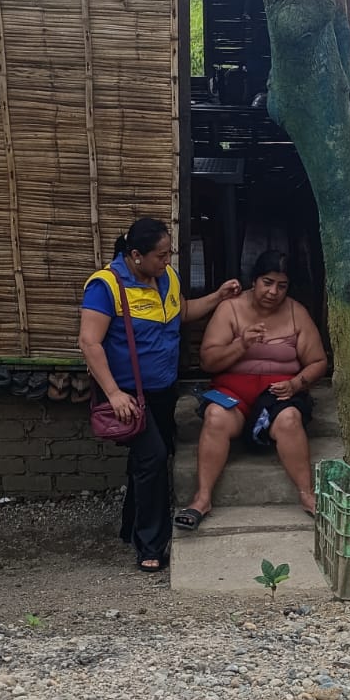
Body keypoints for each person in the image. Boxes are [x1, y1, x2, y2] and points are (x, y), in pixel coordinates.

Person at [80, 218, 240, 573]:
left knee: (151, 457)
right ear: (136, 255)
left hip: (162, 390)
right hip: (127, 395)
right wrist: (113, 394)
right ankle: (151, 544)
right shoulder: (106, 286)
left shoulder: (167, 278)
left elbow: (182, 312)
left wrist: (217, 297)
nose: (167, 261)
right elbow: (89, 343)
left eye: (169, 254)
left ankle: (130, 525)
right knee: (152, 458)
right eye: (160, 255)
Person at [175, 250, 327, 528]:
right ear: (254, 280)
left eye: (282, 286)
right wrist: (241, 344)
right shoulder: (230, 309)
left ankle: (307, 495)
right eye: (267, 282)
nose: (273, 292)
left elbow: (318, 362)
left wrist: (296, 384)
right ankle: (202, 497)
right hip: (233, 394)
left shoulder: (296, 312)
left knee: (290, 419)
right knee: (215, 417)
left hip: (279, 395)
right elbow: (208, 361)